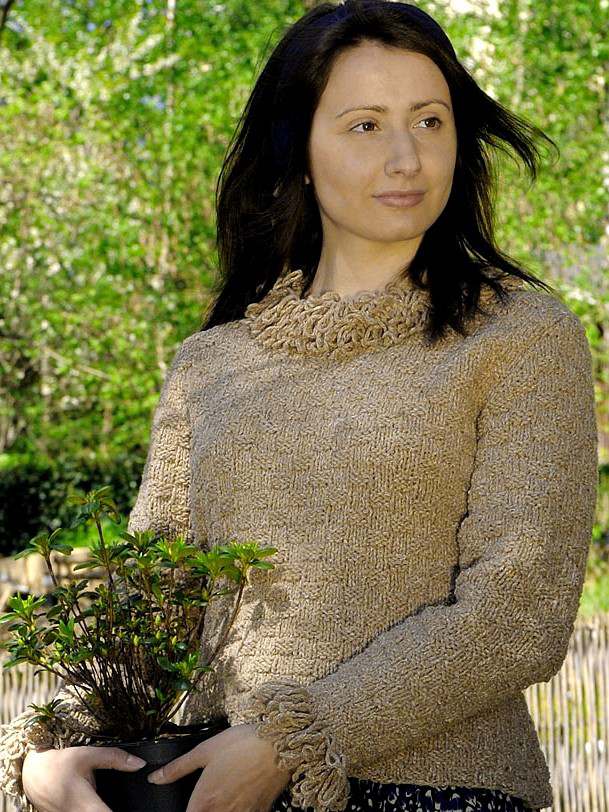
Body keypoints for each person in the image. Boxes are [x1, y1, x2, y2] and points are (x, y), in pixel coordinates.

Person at [0, 1, 599, 811]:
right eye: (364, 126)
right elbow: (150, 610)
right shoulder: (211, 365)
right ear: (300, 153)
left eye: (429, 121)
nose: (406, 157)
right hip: (209, 787)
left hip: (439, 792)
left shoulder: (519, 336)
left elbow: (516, 613)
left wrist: (290, 740)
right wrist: (49, 749)